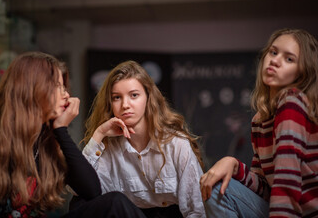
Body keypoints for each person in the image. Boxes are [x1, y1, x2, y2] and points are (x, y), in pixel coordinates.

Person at [0, 52, 146, 218]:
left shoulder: (45, 141)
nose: (66, 95)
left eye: (65, 87)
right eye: (58, 86)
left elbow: (91, 190)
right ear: (32, 90)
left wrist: (61, 130)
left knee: (114, 203)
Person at [200, 28, 318, 218]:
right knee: (219, 184)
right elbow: (265, 189)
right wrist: (234, 165)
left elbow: (287, 182)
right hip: (282, 208)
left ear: (302, 73)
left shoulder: (292, 102)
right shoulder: (261, 120)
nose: (275, 60)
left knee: (219, 190)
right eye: (273, 52)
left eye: (289, 59)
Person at [80, 60, 206, 218]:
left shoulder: (176, 144)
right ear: (110, 103)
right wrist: (98, 135)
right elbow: (80, 189)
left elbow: (196, 210)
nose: (125, 104)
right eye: (117, 97)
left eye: (134, 95)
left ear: (148, 97)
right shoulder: (108, 148)